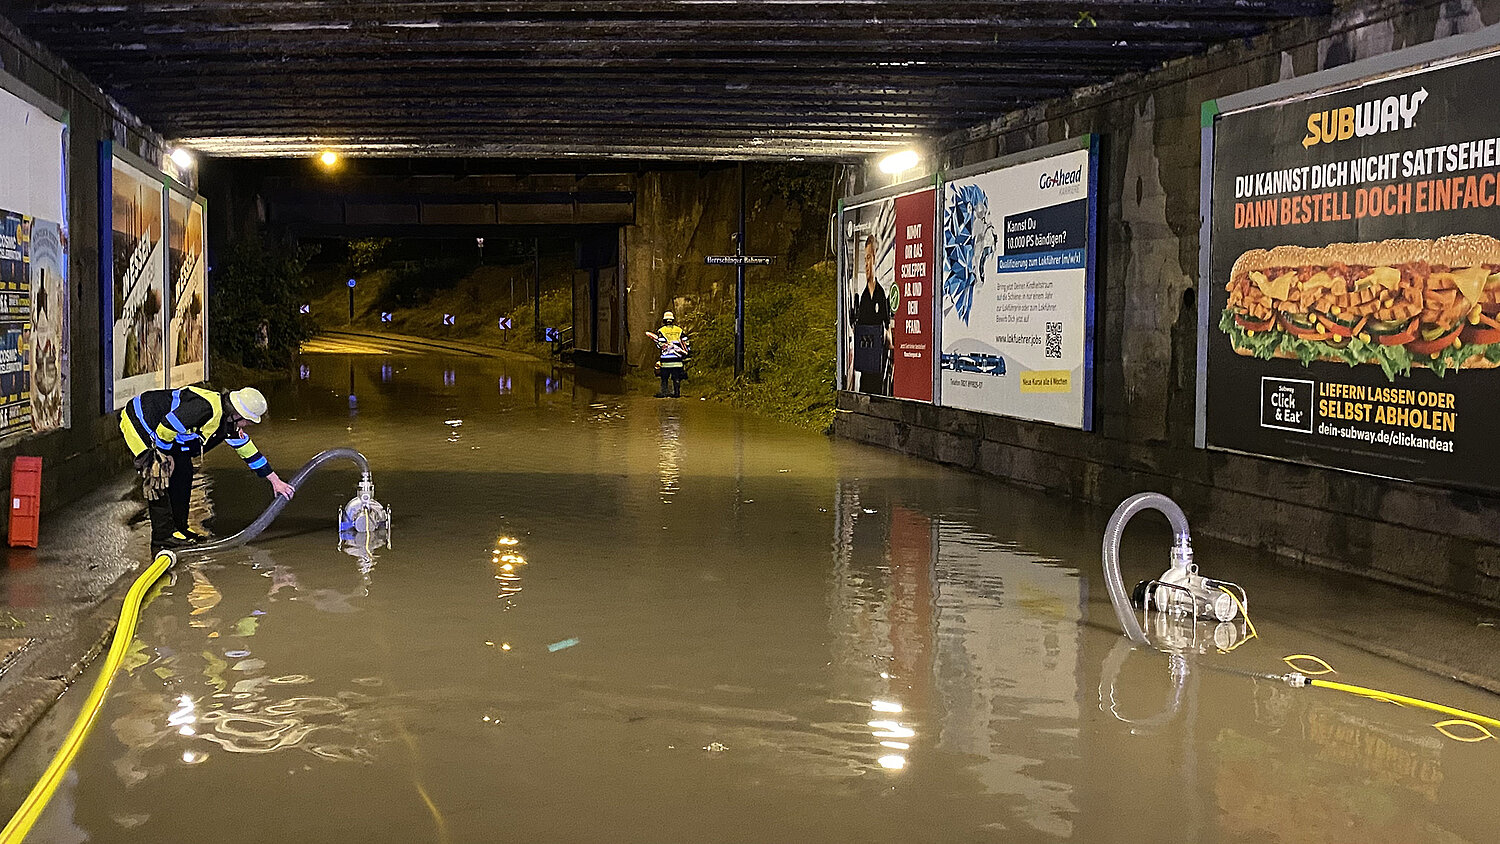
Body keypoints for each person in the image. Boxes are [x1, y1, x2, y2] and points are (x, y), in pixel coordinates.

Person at [119, 386, 296, 549]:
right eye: (248, 421)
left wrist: (275, 480)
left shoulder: (227, 422)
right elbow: (166, 427)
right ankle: (162, 538)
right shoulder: (204, 408)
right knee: (158, 475)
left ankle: (180, 530)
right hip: (142, 421)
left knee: (183, 473)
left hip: (168, 434)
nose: (248, 426)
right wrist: (164, 456)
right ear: (238, 414)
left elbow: (248, 451)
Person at [850, 235, 891, 395]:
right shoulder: (863, 296)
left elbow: (887, 324)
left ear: (876, 260)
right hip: (866, 360)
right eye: (865, 259)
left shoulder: (881, 294)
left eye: (869, 258)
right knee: (865, 389)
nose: (866, 264)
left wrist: (888, 339)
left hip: (877, 360)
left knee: (876, 391)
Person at [648, 311, 690, 397]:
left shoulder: (661, 331)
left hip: (666, 360)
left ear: (664, 320)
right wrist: (685, 353)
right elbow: (686, 343)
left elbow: (660, 345)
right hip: (677, 360)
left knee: (664, 378)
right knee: (676, 378)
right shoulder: (679, 330)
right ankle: (677, 393)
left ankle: (664, 393)